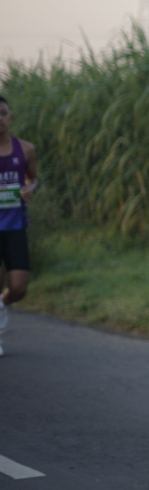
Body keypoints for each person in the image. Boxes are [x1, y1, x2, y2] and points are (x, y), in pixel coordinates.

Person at [0, 95, 39, 358]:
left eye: (3, 113)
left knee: (19, 288)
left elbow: (34, 179)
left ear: (10, 117)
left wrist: (30, 188)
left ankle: (2, 304)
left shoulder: (25, 149)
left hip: (15, 225)